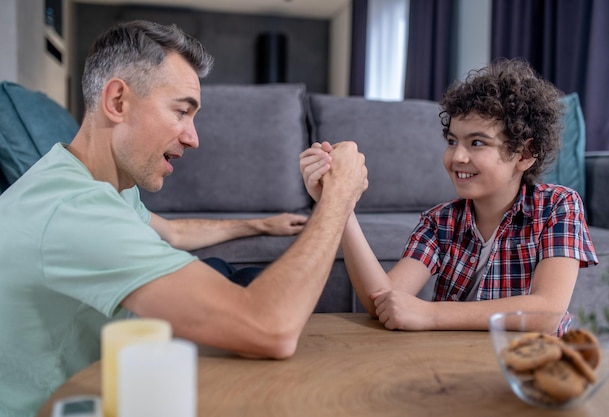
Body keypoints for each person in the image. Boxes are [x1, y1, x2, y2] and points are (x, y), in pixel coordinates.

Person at [0, 20, 368, 417]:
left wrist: (261, 224)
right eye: (181, 112)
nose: (193, 138)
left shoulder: (98, 184)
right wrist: (338, 198)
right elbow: (271, 328)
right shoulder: (75, 210)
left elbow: (172, 231)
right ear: (118, 101)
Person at [300, 58, 597, 335]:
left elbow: (548, 311)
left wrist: (430, 315)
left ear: (525, 154)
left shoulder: (559, 206)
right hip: (452, 361)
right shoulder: (439, 222)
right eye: (452, 141)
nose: (457, 156)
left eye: (477, 143)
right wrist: (340, 204)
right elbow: (384, 301)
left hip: (529, 367)